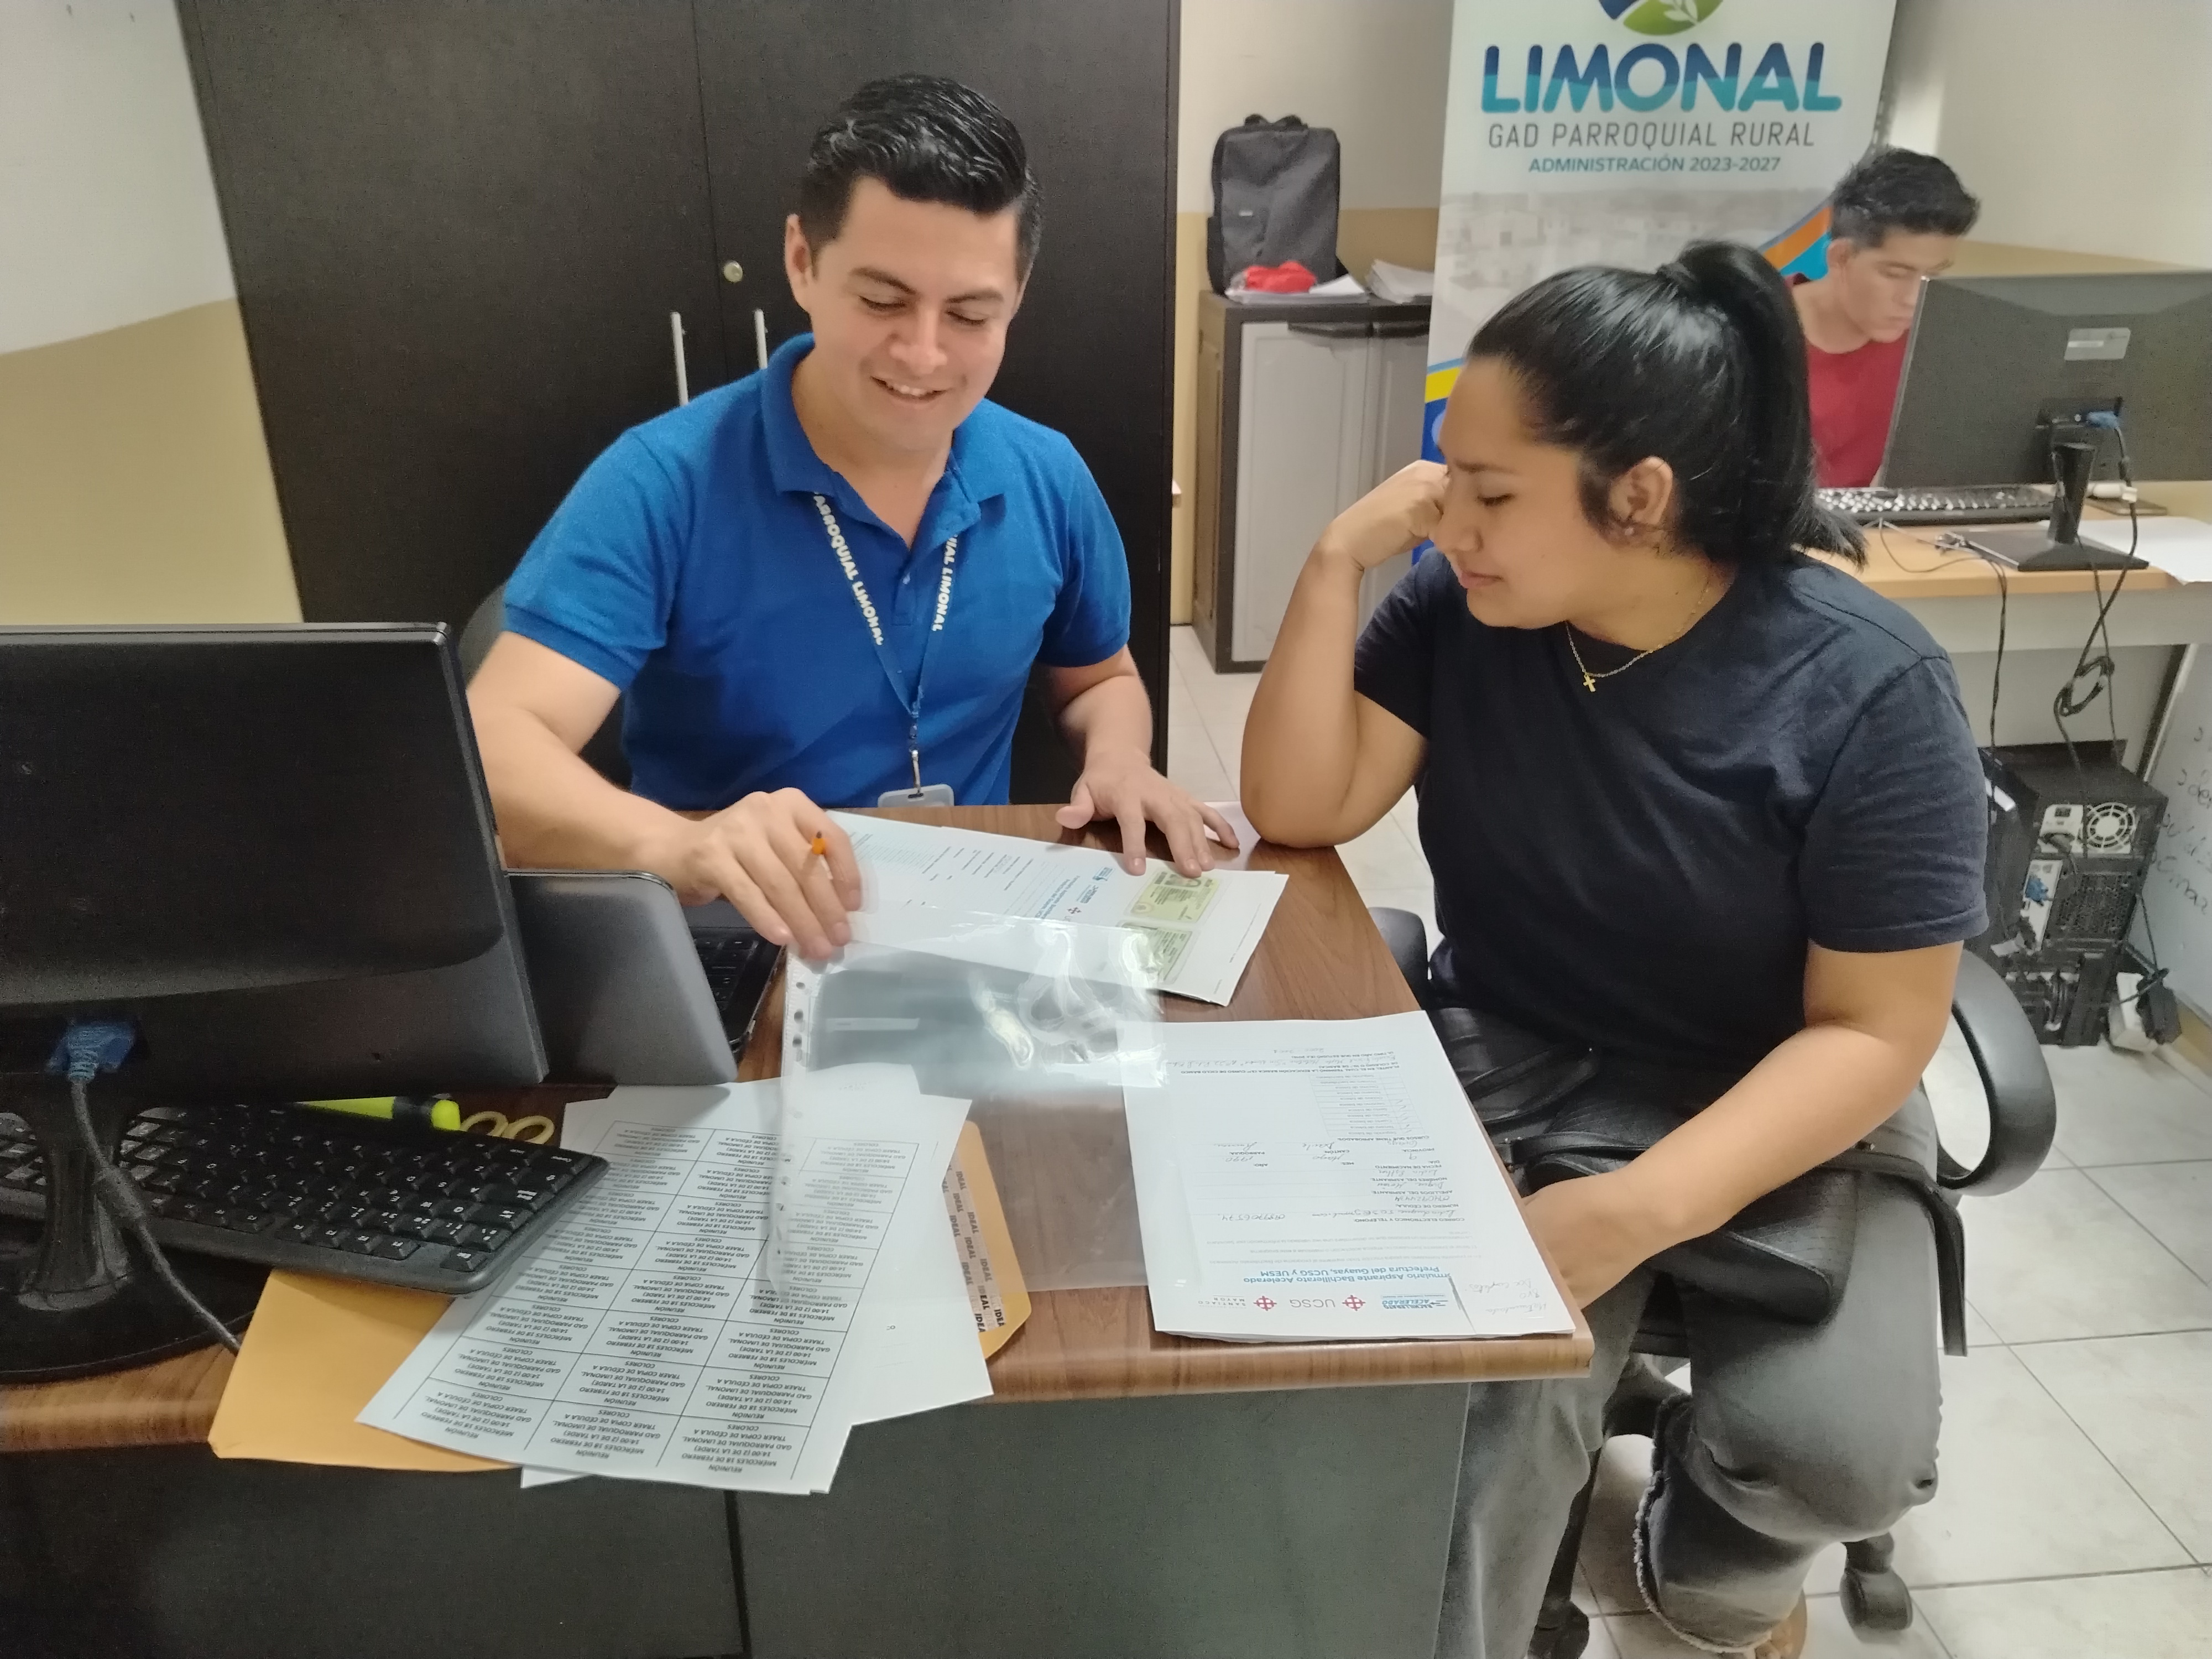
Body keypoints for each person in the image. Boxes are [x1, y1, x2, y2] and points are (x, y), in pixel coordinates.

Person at [1241, 241, 1987, 1659]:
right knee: (1472, 1405)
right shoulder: (1466, 610)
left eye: (1489, 489)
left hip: (1776, 1093)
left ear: (1637, 498)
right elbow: (1297, 804)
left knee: (1841, 1456)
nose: (1446, 515)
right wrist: (1336, 558)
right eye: (1447, 477)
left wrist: (1632, 1210)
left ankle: (1705, 1548)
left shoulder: (1867, 687)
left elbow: (1874, 1028)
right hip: (1523, 1056)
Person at [468, 75, 1232, 959]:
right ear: (803, 261)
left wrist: (1120, 760)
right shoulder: (663, 483)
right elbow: (492, 749)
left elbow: (1098, 679)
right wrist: (680, 846)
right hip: (731, 929)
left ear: (1018, 295)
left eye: (970, 314)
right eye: (882, 301)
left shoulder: (1046, 476)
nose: (924, 354)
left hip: (966, 924)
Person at [1791, 147, 1980, 487]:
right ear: (1841, 258)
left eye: (1933, 276)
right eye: (1895, 274)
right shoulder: (1748, 329)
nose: (1914, 299)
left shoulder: (1934, 346)